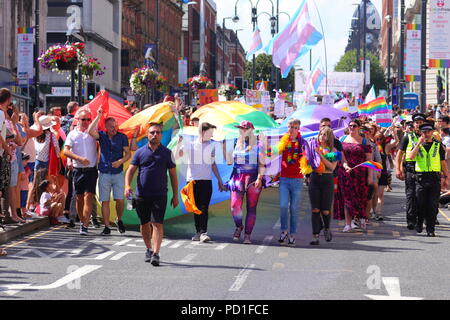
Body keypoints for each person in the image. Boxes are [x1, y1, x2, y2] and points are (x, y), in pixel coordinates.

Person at [125, 123, 178, 266]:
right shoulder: (140, 152)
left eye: (157, 132)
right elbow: (130, 170)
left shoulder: (167, 153)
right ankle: (148, 248)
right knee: (144, 224)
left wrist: (175, 195)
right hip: (142, 194)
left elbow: (173, 175)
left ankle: (156, 252)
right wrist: (127, 185)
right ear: (148, 135)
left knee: (157, 223)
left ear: (161, 135)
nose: (155, 135)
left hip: (160, 194)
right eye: (152, 132)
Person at [176, 122, 225, 242]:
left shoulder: (212, 146)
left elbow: (213, 165)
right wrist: (179, 143)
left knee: (204, 207)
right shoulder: (190, 145)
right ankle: (198, 232)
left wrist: (219, 180)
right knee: (195, 208)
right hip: (192, 181)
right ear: (202, 132)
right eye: (210, 132)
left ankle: (203, 232)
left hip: (206, 181)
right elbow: (177, 156)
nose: (211, 135)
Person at [88, 109, 131, 235]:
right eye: (111, 127)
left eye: (115, 126)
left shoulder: (122, 137)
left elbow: (128, 153)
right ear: (106, 127)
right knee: (105, 200)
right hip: (104, 172)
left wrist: (121, 161)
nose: (114, 128)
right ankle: (106, 226)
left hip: (117, 173)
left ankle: (119, 219)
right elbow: (90, 131)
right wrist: (98, 116)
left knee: (119, 199)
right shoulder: (102, 136)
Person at [224, 121, 266, 244]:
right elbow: (229, 162)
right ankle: (239, 226)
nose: (242, 131)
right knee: (234, 206)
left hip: (253, 177)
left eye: (245, 129)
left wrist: (259, 178)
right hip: (237, 177)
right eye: (241, 129)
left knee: (251, 208)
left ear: (251, 130)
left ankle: (247, 235)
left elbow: (262, 163)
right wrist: (225, 149)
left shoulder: (259, 144)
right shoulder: (236, 143)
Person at [408, 122, 449, 236]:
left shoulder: (438, 145)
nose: (426, 134)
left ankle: (431, 229)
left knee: (432, 205)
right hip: (421, 178)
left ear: (432, 132)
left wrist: (447, 176)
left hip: (434, 178)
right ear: (421, 133)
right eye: (424, 132)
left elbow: (442, 162)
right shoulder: (417, 144)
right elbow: (411, 157)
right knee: (420, 203)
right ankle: (420, 222)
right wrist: (418, 144)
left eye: (428, 132)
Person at [334, 119, 373, 232]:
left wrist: (370, 176)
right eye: (350, 125)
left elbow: (369, 160)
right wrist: (345, 165)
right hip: (345, 173)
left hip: (360, 174)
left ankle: (360, 217)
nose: (352, 127)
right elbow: (340, 156)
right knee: (347, 198)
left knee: (359, 198)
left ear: (359, 127)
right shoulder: (342, 139)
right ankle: (348, 223)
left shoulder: (365, 142)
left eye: (354, 126)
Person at [64, 110, 98, 236]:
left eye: (88, 120)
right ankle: (82, 221)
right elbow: (66, 151)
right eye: (83, 119)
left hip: (91, 169)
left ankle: (85, 225)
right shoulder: (72, 134)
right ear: (78, 120)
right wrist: (79, 158)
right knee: (79, 198)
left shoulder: (93, 133)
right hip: (78, 169)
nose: (85, 122)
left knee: (88, 196)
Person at [306, 127, 340, 245]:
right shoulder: (313, 148)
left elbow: (331, 167)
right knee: (315, 209)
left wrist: (320, 155)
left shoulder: (333, 151)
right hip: (315, 178)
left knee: (325, 210)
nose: (322, 136)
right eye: (320, 134)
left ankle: (326, 228)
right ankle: (315, 235)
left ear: (329, 137)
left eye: (325, 134)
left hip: (327, 179)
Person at [277, 119, 306, 245]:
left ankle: (292, 233)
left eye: (294, 127)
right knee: (283, 206)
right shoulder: (283, 141)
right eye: (290, 127)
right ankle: (284, 231)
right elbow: (273, 152)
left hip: (297, 180)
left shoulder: (302, 142)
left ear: (298, 128)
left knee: (293, 208)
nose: (291, 129)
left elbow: (308, 156)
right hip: (284, 179)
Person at [395, 113, 425, 230]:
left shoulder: (429, 137)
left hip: (423, 170)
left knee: (421, 196)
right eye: (417, 122)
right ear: (413, 124)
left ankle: (420, 219)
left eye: (421, 122)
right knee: (410, 195)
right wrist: (398, 168)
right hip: (410, 169)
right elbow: (400, 153)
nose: (419, 124)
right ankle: (411, 220)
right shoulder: (407, 137)